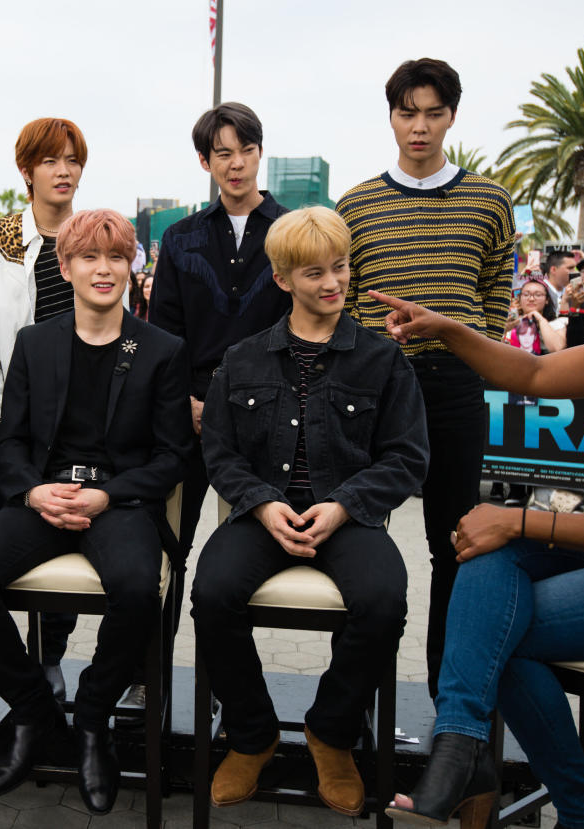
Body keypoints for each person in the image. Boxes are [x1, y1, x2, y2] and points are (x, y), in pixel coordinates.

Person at [376, 176, 584, 829]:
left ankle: (574, 806)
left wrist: (521, 517)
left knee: (503, 627)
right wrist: (446, 329)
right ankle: (465, 748)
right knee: (490, 557)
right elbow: (530, 374)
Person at [0, 209, 193, 815]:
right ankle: (31, 709)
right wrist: (32, 492)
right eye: (88, 258)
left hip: (121, 500)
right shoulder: (36, 342)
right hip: (45, 495)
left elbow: (172, 456)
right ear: (66, 266)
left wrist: (109, 494)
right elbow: (16, 442)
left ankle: (93, 715)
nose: (102, 270)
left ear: (133, 266)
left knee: (138, 590)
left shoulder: (161, 349)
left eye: (115, 257)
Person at [193, 207, 428, 814]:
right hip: (262, 515)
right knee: (212, 593)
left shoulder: (383, 360)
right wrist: (263, 503)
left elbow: (406, 458)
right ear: (283, 280)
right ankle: (252, 735)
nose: (333, 283)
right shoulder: (242, 359)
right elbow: (218, 453)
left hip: (347, 518)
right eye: (315, 272)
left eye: (341, 267)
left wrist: (345, 506)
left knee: (383, 601)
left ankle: (331, 732)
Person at [337, 58, 516, 697]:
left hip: (456, 385)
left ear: (452, 116)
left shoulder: (491, 200)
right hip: (373, 387)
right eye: (407, 112)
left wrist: (477, 344)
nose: (420, 126)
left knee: (456, 543)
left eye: (433, 113)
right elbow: (342, 295)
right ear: (390, 116)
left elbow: (499, 285)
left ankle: (451, 698)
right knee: (357, 535)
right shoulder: (355, 204)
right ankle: (352, 699)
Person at [146, 102, 292, 713]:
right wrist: (189, 399)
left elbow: (297, 327)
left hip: (264, 418)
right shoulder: (180, 238)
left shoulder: (291, 230)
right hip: (190, 411)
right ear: (205, 162)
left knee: (234, 563)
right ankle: (147, 675)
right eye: (222, 153)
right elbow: (165, 330)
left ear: (261, 153)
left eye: (246, 150)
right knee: (168, 551)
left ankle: (229, 692)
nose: (236, 164)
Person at [0, 117, 90, 699]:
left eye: (72, 160)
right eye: (51, 161)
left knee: (66, 528)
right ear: (27, 171)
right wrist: (0, 416)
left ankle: (51, 654)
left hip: (81, 417)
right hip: (11, 416)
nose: (64, 171)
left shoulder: (93, 235)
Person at [506, 278, 565, 354]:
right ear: (519, 298)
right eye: (526, 295)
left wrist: (540, 319)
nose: (531, 299)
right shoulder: (511, 324)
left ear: (547, 299)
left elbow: (557, 348)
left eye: (538, 295)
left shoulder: (557, 323)